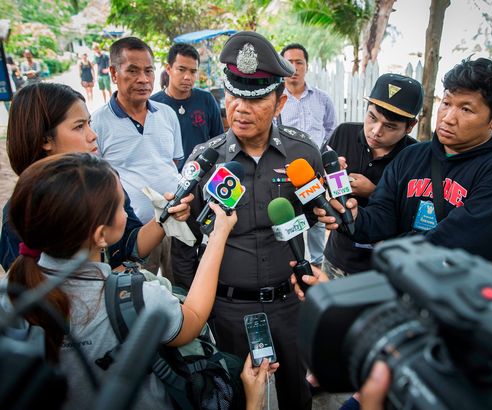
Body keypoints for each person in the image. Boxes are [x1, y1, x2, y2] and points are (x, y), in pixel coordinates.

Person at [0, 152, 278, 409]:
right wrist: (219, 235)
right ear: (100, 235)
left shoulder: (12, 289)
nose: (127, 211)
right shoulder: (139, 298)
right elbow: (192, 318)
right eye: (122, 205)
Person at [179, 31, 322, 409]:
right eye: (233, 95)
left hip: (289, 306)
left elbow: (311, 214)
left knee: (296, 397)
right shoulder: (204, 160)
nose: (240, 107)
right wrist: (191, 313)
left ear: (278, 102)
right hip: (226, 311)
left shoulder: (304, 152)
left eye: (255, 98)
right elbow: (185, 242)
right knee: (231, 398)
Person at [317, 57, 492, 279]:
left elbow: (461, 242)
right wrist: (354, 217)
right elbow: (382, 216)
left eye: (466, 109)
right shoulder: (412, 157)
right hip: (416, 290)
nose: (448, 118)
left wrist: (389, 248)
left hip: (478, 302)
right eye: (447, 103)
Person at [1, 82, 191, 273]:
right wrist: (108, 281)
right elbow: (31, 288)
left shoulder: (106, 181)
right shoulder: (22, 214)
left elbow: (128, 245)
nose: (93, 135)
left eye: (89, 123)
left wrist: (164, 217)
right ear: (45, 140)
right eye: (78, 127)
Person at [91, 37, 184, 279]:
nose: (143, 79)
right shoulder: (97, 124)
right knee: (141, 294)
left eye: (148, 71)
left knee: (181, 288)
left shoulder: (167, 114)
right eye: (132, 71)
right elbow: (96, 183)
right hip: (134, 235)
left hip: (177, 226)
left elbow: (172, 164)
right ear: (113, 73)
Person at [322, 73, 423, 279]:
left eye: (390, 126)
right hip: (337, 257)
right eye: (372, 117)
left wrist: (374, 192)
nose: (376, 131)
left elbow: (414, 217)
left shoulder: (416, 156)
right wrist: (327, 177)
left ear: (410, 126)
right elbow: (323, 183)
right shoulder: (344, 133)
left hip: (383, 270)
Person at [278, 43, 337, 269]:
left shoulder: (322, 99)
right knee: (289, 213)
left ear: (307, 66)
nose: (294, 67)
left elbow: (330, 129)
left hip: (315, 169)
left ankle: (316, 265)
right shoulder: (277, 100)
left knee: (318, 216)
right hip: (286, 169)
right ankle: (291, 264)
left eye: (299, 62)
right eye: (289, 62)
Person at [151, 43, 224, 170]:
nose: (187, 77)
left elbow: (219, 142)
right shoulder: (153, 105)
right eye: (181, 69)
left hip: (203, 178)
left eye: (193, 71)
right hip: (169, 181)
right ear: (168, 69)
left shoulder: (206, 99)